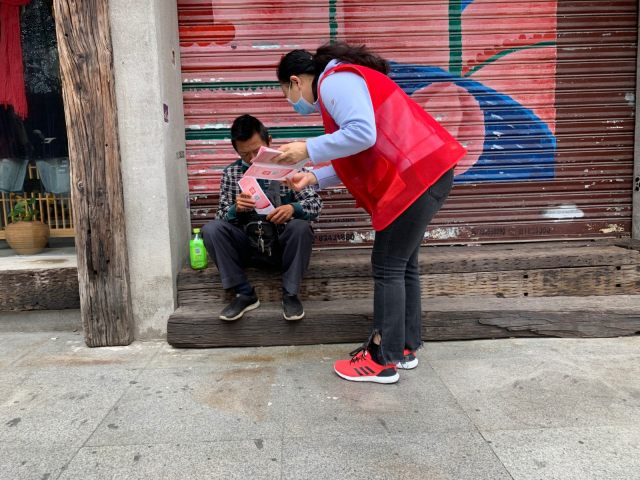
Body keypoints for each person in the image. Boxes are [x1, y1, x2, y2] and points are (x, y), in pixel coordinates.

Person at [274, 42, 466, 384]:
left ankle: (381, 358)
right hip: (427, 172)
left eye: (286, 93)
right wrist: (313, 176)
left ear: (295, 81)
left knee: (388, 264)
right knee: (402, 263)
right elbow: (356, 151)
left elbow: (362, 134)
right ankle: (403, 347)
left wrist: (307, 148)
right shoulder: (343, 80)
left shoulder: (333, 81)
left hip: (416, 178)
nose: (292, 101)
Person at [202, 114, 322, 322]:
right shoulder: (231, 173)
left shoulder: (291, 167)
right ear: (236, 150)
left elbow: (315, 205)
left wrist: (292, 209)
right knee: (211, 230)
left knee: (300, 228)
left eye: (257, 151)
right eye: (244, 154)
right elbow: (220, 215)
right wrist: (235, 209)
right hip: (248, 248)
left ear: (269, 141)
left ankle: (290, 294)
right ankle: (244, 293)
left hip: (282, 247)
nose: (251, 159)